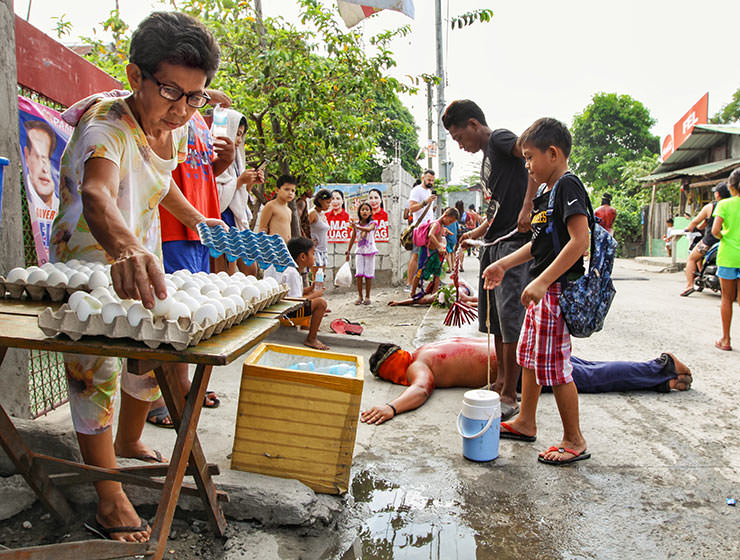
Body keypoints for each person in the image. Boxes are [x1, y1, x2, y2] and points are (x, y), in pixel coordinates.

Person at [49, 12, 223, 542]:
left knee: (151, 349)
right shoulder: (106, 126)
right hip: (89, 261)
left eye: (196, 96)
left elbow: (156, 177)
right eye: (171, 91)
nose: (184, 108)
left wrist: (196, 218)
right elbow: (99, 193)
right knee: (93, 370)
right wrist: (122, 247)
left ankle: (127, 441)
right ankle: (108, 494)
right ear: (134, 76)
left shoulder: (177, 122)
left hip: (139, 255)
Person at [481, 117, 590, 466]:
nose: (526, 165)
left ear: (554, 153)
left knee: (556, 368)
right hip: (542, 292)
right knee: (528, 356)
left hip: (556, 292)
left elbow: (580, 241)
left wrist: (543, 281)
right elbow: (536, 246)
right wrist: (503, 265)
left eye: (530, 158)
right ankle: (526, 421)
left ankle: (574, 439)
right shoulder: (546, 193)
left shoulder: (569, 187)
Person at [443, 100, 538, 421]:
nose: (460, 145)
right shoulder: (487, 158)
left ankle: (512, 392)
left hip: (513, 246)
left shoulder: (498, 140)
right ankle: (500, 382)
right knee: (494, 321)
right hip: (495, 243)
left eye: (459, 138)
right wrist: (475, 234)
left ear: (473, 124)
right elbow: (496, 211)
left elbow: (531, 151)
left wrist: (528, 205)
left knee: (511, 319)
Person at [360, 338, 691, 425]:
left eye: (394, 378)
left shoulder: (419, 364)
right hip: (517, 350)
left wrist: (391, 407)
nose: (400, 382)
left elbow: (419, 390)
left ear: (397, 363)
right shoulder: (429, 348)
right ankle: (662, 380)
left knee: (589, 377)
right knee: (588, 369)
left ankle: (659, 366)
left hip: (518, 367)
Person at [151, 98, 233, 429]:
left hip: (200, 227)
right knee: (169, 315)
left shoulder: (200, 120)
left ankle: (181, 386)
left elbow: (199, 174)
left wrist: (224, 162)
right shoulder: (170, 111)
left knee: (189, 315)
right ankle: (158, 396)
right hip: (174, 228)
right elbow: (158, 174)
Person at [214, 108, 264, 275]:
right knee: (225, 272)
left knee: (250, 269)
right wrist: (240, 181)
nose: (238, 140)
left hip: (236, 219)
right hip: (222, 220)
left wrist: (249, 182)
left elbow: (241, 196)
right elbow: (216, 197)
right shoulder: (214, 156)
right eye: (236, 133)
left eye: (241, 135)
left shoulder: (237, 160)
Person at [266, 237, 329, 350]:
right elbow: (295, 302)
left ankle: (306, 327)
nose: (314, 257)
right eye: (313, 254)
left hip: (278, 310)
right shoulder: (292, 273)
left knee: (308, 299)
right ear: (303, 257)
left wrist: (310, 288)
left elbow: (292, 292)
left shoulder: (290, 269)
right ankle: (311, 339)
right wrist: (316, 294)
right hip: (285, 315)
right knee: (321, 304)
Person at [681, 182, 731, 297]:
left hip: (710, 241)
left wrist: (689, 228)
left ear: (717, 194)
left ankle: (689, 285)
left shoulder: (711, 207)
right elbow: (703, 225)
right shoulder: (733, 205)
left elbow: (695, 222)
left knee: (692, 259)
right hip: (729, 241)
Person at [711, 168, 740, 351]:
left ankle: (726, 340)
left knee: (727, 298)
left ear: (730, 187)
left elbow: (715, 231)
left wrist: (726, 237)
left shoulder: (724, 205)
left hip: (728, 255)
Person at [23, 120, 60, 258]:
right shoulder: (27, 199)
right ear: (26, 156)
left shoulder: (60, 203)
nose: (45, 169)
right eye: (39, 157)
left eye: (47, 159)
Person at [410, 207, 459, 298]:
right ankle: (412, 293)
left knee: (437, 272)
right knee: (420, 271)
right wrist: (439, 246)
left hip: (436, 252)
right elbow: (430, 235)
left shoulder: (442, 226)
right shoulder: (436, 224)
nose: (449, 224)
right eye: (450, 221)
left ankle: (434, 294)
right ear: (445, 216)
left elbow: (439, 235)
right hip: (427, 251)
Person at [406, 170, 437, 292]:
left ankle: (420, 281)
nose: (431, 182)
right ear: (423, 177)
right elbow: (411, 209)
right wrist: (426, 202)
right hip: (419, 229)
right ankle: (409, 283)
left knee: (427, 256)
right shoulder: (416, 190)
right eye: (429, 179)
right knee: (415, 255)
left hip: (429, 228)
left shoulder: (429, 191)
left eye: (432, 180)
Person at [346, 201, 377, 305]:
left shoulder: (373, 223)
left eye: (367, 210)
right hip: (359, 252)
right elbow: (352, 238)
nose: (364, 211)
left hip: (370, 252)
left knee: (368, 275)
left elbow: (368, 229)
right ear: (359, 212)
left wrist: (356, 226)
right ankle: (360, 296)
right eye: (362, 209)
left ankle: (367, 296)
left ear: (370, 212)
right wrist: (348, 250)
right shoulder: (357, 225)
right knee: (359, 274)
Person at [258, 174, 296, 243]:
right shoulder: (271, 206)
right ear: (277, 190)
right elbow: (262, 228)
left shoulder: (289, 210)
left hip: (285, 247)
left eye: (293, 191)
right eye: (286, 189)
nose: (290, 193)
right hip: (274, 247)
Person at [308, 189, 332, 286]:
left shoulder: (322, 214)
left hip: (323, 250)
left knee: (321, 275)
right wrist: (309, 240)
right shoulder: (312, 213)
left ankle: (318, 292)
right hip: (315, 250)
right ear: (320, 200)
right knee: (316, 275)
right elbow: (303, 227)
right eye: (327, 202)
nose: (329, 205)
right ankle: (315, 294)